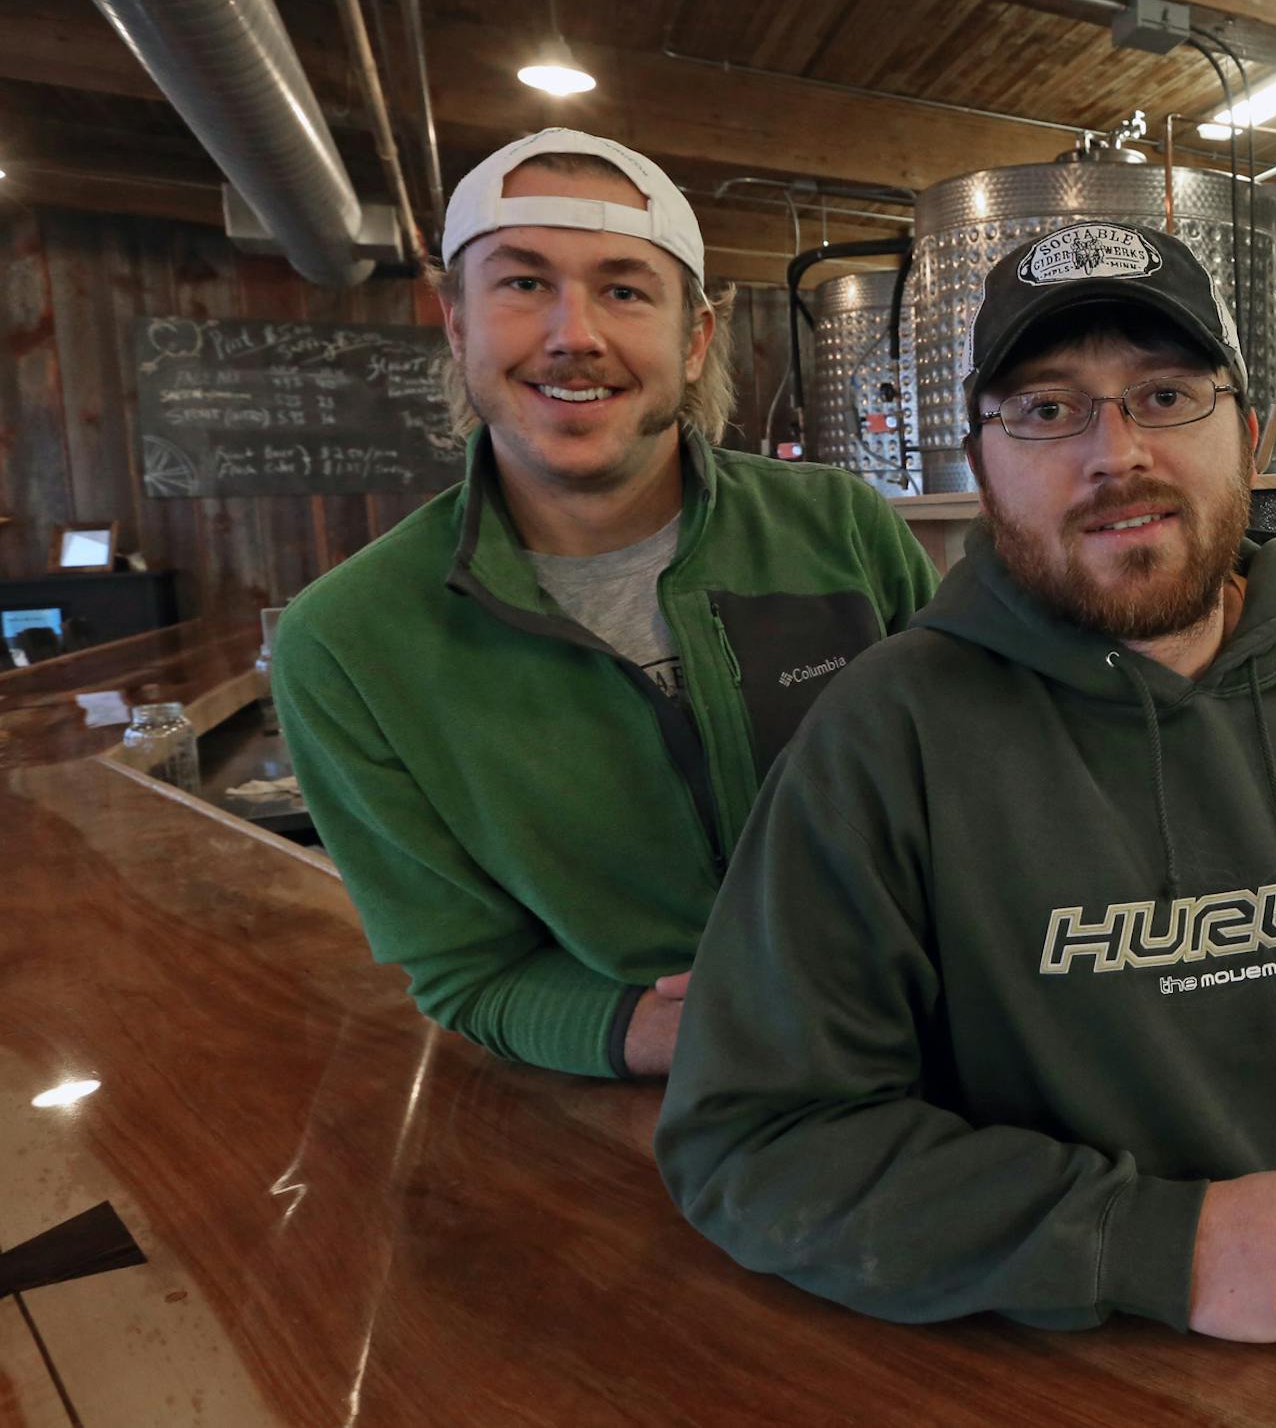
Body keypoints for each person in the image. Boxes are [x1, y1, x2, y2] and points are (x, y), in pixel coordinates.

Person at [654, 221, 1276, 1393]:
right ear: (981, 460)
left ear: (1252, 436)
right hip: (1119, 1377)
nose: (1115, 452)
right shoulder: (885, 740)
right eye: (1047, 408)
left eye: (1166, 394)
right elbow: (754, 1144)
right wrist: (1159, 1241)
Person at [277, 129, 937, 1080]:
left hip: (932, 1048)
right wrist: (658, 1031)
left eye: (624, 289)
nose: (573, 333)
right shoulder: (347, 643)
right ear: (457, 323)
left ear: (695, 334)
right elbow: (467, 973)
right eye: (523, 283)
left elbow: (967, 795)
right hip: (648, 1116)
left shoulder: (840, 526)